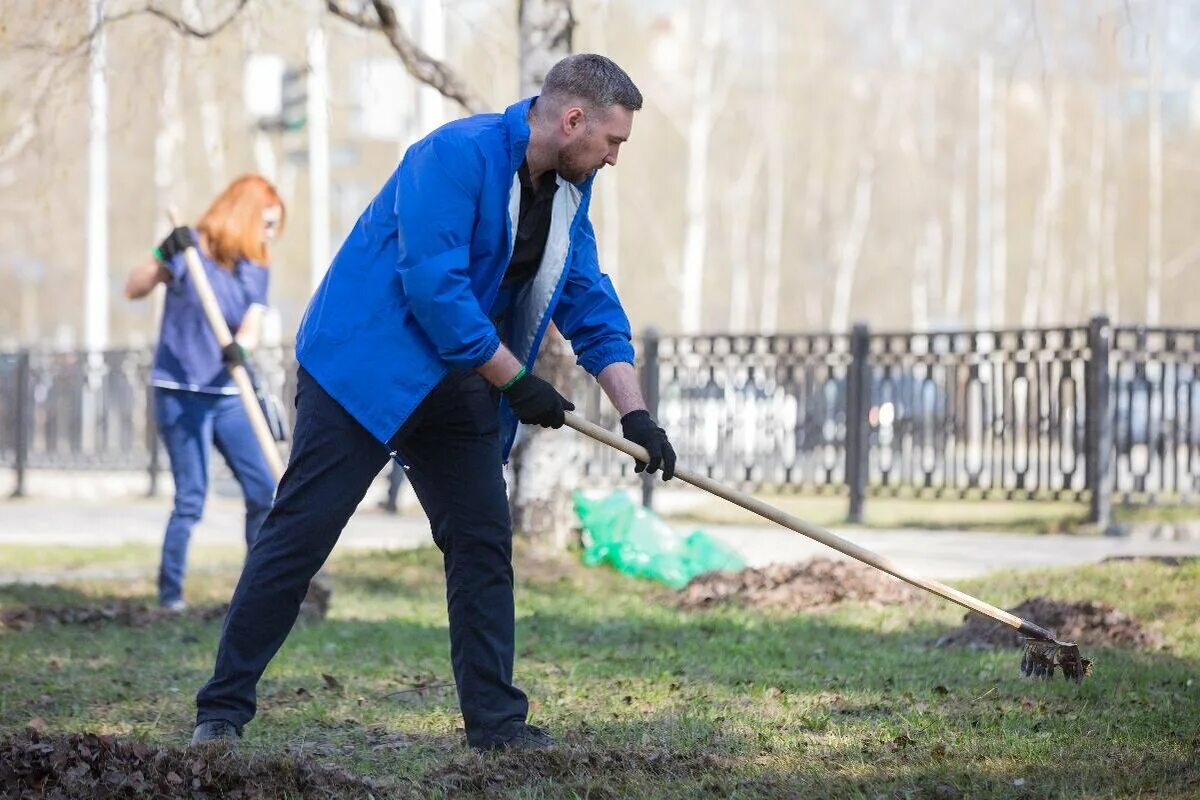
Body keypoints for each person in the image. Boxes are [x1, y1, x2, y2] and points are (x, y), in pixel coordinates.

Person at [190, 55, 676, 752]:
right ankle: (222, 711)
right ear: (573, 122)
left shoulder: (570, 192)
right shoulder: (453, 156)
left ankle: (497, 728)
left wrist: (636, 414)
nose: (615, 159)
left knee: (481, 543)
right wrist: (516, 379)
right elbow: (434, 289)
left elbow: (588, 300)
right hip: (363, 367)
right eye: (613, 142)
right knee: (301, 534)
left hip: (461, 382)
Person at [124, 174, 285, 611]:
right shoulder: (189, 248)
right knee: (191, 498)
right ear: (246, 215)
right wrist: (161, 255)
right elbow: (133, 288)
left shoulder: (257, 264)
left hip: (231, 394)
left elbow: (251, 324)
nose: (271, 235)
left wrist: (242, 347)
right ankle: (170, 596)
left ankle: (259, 594)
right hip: (179, 391)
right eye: (267, 224)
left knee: (265, 490)